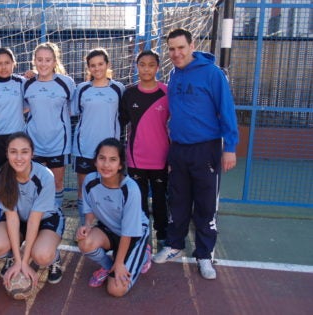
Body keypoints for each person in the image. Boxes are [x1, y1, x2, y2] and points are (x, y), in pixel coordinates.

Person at [152, 28, 239, 280]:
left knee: (205, 204)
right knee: (177, 200)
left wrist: (230, 148)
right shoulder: (174, 74)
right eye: (172, 49)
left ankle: (204, 254)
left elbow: (227, 110)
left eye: (181, 47)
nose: (176, 53)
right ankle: (175, 245)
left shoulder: (213, 74)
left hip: (206, 149)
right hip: (178, 149)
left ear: (192, 46)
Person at [0, 132, 65, 287]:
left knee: (41, 255)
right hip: (19, 218)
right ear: (7, 154)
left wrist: (25, 263)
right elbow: (12, 218)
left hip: (45, 219)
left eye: (24, 152)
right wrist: (18, 261)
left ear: (32, 154)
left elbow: (34, 220)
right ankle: (12, 257)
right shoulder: (2, 175)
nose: (19, 158)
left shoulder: (45, 176)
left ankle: (54, 259)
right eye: (13, 152)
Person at [76, 138, 151, 297]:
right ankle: (108, 265)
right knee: (84, 241)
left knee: (116, 290)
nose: (106, 165)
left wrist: (119, 263)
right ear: (95, 161)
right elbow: (89, 209)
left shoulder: (130, 189)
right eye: (102, 158)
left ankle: (143, 253)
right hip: (109, 228)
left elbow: (128, 232)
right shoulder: (90, 181)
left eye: (113, 160)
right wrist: (88, 225)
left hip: (133, 234)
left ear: (120, 164)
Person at [119, 50, 169, 247]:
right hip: (135, 158)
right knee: (137, 200)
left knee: (160, 200)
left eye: (151, 64)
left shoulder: (167, 92)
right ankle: (140, 235)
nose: (146, 68)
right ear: (136, 66)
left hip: (161, 158)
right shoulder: (129, 93)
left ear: (157, 67)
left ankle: (163, 235)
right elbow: (120, 122)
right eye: (142, 64)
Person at [72, 48, 125, 225]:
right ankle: (84, 225)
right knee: (83, 188)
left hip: (109, 151)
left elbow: (122, 117)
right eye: (92, 65)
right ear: (88, 68)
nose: (97, 68)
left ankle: (108, 224)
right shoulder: (82, 89)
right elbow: (75, 114)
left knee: (109, 188)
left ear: (107, 64)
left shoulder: (118, 88)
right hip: (85, 148)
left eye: (100, 64)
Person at [23, 42, 75, 209]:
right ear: (34, 61)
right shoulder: (27, 83)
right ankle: (35, 219)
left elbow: (72, 110)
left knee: (56, 182)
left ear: (54, 62)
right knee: (34, 182)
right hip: (34, 143)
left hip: (58, 143)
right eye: (39, 60)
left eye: (47, 60)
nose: (43, 64)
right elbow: (23, 108)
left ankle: (55, 216)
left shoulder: (66, 83)